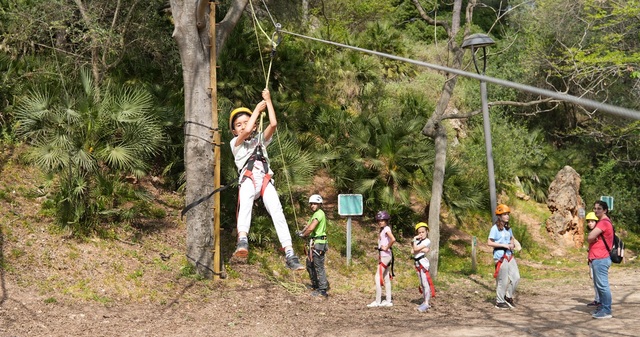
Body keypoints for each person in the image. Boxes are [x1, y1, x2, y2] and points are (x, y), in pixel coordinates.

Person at [229, 89, 304, 271]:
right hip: (248, 180)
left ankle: (289, 252)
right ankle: (243, 239)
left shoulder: (261, 140)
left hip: (264, 180)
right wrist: (255, 110)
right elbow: (246, 131)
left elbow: (273, 123)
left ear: (255, 125)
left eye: (246, 122)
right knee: (245, 202)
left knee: (277, 211)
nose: (243, 126)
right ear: (233, 131)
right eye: (238, 124)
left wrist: (268, 101)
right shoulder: (235, 144)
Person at [487, 204, 520, 309]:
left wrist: (512, 245)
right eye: (504, 214)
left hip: (510, 255)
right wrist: (503, 245)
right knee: (503, 280)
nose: (507, 216)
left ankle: (508, 296)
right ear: (500, 216)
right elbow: (489, 242)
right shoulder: (495, 228)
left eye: (507, 214)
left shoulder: (508, 229)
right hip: (500, 256)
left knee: (516, 278)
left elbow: (511, 240)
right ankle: (499, 301)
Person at [298, 194, 329, 298]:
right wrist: (302, 232)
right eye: (311, 204)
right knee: (310, 264)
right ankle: (315, 285)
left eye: (315, 203)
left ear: (319, 204)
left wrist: (303, 234)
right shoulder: (315, 214)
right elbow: (308, 226)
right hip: (314, 243)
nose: (312, 205)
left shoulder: (319, 214)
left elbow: (311, 228)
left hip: (319, 243)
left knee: (318, 266)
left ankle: (323, 289)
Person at [587, 200, 614, 319]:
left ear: (605, 210)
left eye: (599, 208)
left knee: (603, 285)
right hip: (598, 258)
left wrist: (592, 237)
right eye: (595, 208)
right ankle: (603, 306)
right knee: (599, 285)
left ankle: (606, 310)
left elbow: (590, 237)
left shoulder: (603, 222)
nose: (596, 210)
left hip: (601, 258)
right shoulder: (603, 222)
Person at [367, 210, 396, 308]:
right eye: (379, 220)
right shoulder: (383, 229)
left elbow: (393, 239)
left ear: (386, 220)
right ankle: (388, 300)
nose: (380, 222)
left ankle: (378, 301)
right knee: (386, 277)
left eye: (382, 220)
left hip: (385, 256)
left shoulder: (386, 228)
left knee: (377, 277)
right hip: (385, 255)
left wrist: (386, 247)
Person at [412, 222, 436, 313]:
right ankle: (424, 300)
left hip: (423, 263)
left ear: (426, 232)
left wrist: (416, 245)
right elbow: (413, 251)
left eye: (423, 232)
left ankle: (426, 303)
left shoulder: (427, 241)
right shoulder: (418, 241)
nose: (421, 234)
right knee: (422, 283)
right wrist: (419, 248)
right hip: (417, 263)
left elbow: (415, 249)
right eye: (419, 232)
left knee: (425, 283)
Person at [584, 211, 601, 307]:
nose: (590, 223)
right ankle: (597, 299)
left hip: (598, 259)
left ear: (596, 222)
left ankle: (600, 301)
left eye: (592, 221)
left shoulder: (599, 233)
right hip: (591, 259)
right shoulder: (591, 233)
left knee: (599, 282)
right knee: (594, 280)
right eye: (589, 221)